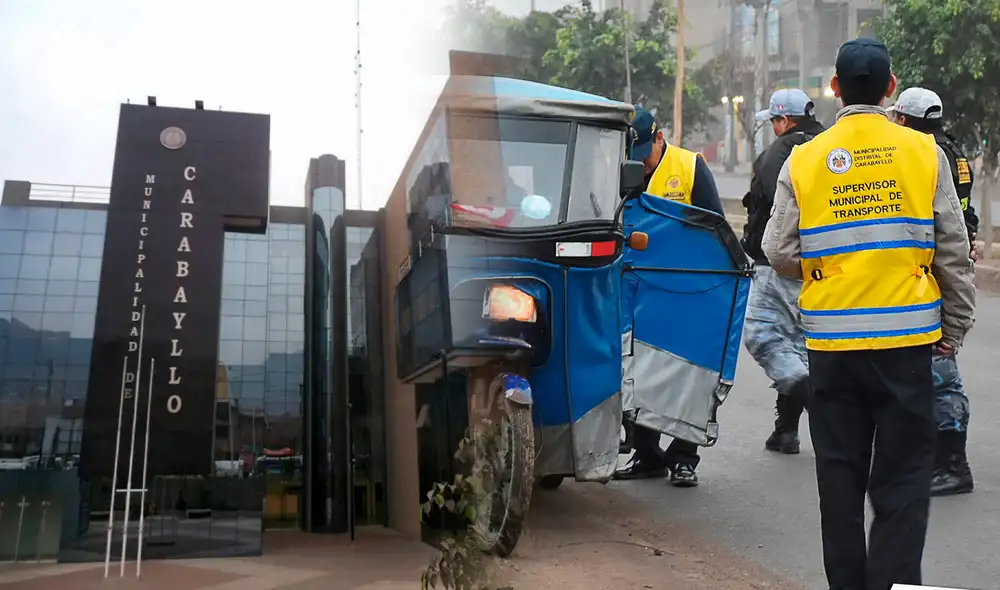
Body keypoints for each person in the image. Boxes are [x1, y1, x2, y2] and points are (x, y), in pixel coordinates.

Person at [761, 38, 976, 590]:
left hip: (833, 348)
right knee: (903, 481)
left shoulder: (805, 157)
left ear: (834, 89)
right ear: (890, 88)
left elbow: (778, 250)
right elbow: (953, 249)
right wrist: (952, 329)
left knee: (839, 480)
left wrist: (830, 272)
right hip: (907, 344)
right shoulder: (923, 153)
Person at [614, 106, 725, 488]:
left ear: (659, 139)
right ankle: (647, 454)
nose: (640, 162)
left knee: (687, 375)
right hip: (640, 288)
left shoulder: (690, 167)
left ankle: (683, 459)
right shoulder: (621, 168)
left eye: (645, 152)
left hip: (686, 288)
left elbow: (716, 227)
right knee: (640, 369)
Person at [888, 87, 978, 497]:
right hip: (951, 259)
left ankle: (953, 465)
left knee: (941, 372)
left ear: (904, 119)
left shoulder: (917, 156)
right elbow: (965, 215)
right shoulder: (956, 154)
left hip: (930, 269)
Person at [742, 89, 826, 455]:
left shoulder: (777, 154)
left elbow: (763, 211)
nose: (773, 127)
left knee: (762, 334)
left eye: (774, 121)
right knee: (801, 343)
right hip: (824, 263)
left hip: (777, 262)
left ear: (783, 120)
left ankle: (814, 401)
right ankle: (785, 431)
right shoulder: (830, 145)